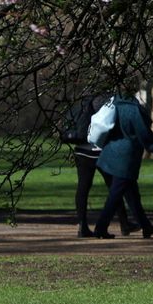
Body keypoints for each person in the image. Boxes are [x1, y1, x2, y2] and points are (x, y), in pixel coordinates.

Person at [92, 92, 153, 238]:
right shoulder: (131, 108)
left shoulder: (113, 102)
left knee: (132, 195)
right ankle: (100, 228)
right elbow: (143, 133)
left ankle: (146, 226)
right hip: (124, 159)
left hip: (109, 154)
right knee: (115, 196)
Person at [60, 93, 113, 238]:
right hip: (98, 151)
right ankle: (123, 222)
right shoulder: (104, 100)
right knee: (115, 188)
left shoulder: (81, 102)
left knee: (83, 188)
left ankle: (82, 225)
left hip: (81, 150)